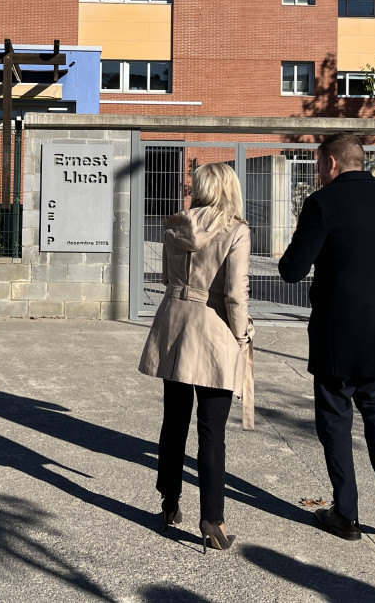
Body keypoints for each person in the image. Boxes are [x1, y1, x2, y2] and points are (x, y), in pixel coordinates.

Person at [278, 133, 375, 541]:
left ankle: (346, 513)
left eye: (319, 165)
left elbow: (292, 270)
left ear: (332, 163)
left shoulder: (322, 203)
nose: (318, 172)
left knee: (335, 419)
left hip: (336, 332)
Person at [139, 161, 254, 552]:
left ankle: (169, 502)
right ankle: (213, 520)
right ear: (230, 188)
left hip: (174, 323)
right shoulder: (236, 230)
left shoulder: (176, 225)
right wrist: (241, 334)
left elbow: (168, 277)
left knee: (174, 421)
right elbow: (235, 293)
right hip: (214, 328)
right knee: (211, 430)